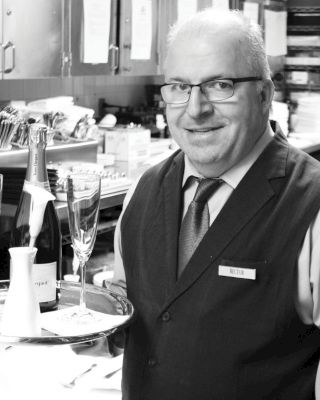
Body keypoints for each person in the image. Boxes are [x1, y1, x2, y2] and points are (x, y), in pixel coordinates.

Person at [111, 8, 320, 400]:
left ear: (264, 94)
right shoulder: (142, 190)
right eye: (179, 86)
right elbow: (136, 305)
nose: (195, 109)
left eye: (220, 85)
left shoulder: (311, 203)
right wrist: (101, 325)